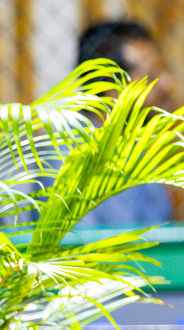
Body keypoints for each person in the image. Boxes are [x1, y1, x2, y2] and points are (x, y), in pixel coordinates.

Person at [75, 20, 176, 228]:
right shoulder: (72, 154)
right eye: (152, 78)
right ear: (111, 87)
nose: (168, 84)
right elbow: (79, 251)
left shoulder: (135, 150)